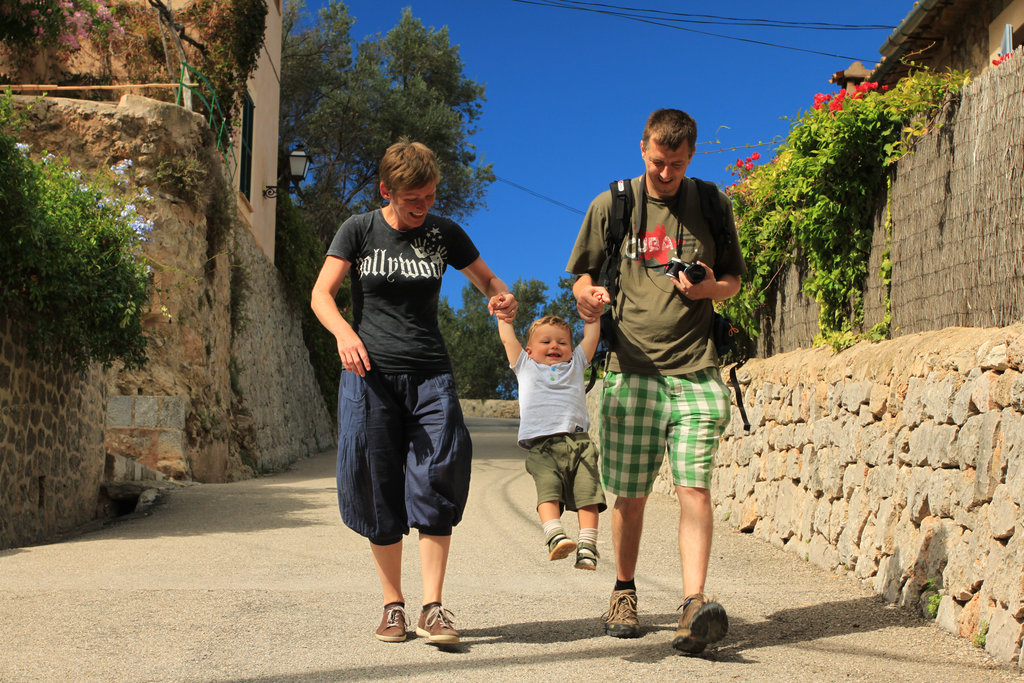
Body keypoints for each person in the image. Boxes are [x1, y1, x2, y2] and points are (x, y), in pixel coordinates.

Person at [311, 138, 517, 647]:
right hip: (369, 377)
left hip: (431, 376)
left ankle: (433, 606)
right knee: (376, 485)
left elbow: (488, 280)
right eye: (413, 200)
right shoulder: (358, 230)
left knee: (436, 480)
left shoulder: (444, 234)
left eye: (429, 197)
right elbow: (321, 294)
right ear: (387, 190)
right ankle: (392, 607)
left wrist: (501, 298)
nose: (424, 208)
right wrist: (344, 333)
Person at [565, 108, 746, 653]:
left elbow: (734, 283)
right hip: (630, 372)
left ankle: (693, 604)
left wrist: (709, 290)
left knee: (695, 487)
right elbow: (580, 277)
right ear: (642, 148)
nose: (666, 173)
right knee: (632, 494)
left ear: (691, 157)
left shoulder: (712, 204)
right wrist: (587, 298)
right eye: (658, 162)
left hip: (696, 369)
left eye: (677, 164)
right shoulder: (614, 204)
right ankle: (624, 590)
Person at [497, 314, 606, 569]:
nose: (555, 346)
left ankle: (588, 546)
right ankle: (555, 535)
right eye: (546, 341)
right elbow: (506, 338)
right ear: (529, 351)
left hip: (579, 443)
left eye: (562, 343)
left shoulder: (577, 363)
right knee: (548, 492)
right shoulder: (525, 365)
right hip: (543, 447)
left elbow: (591, 336)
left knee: (589, 494)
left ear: (571, 350)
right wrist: (504, 316)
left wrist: (594, 314)